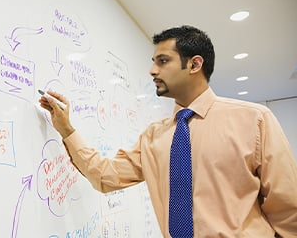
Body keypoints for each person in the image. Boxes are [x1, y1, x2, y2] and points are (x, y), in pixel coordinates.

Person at [39, 25, 297, 237]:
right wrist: (66, 129)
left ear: (195, 64)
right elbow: (105, 177)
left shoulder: (254, 120)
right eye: (153, 62)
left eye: (163, 61)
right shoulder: (154, 137)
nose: (153, 71)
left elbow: (288, 210)